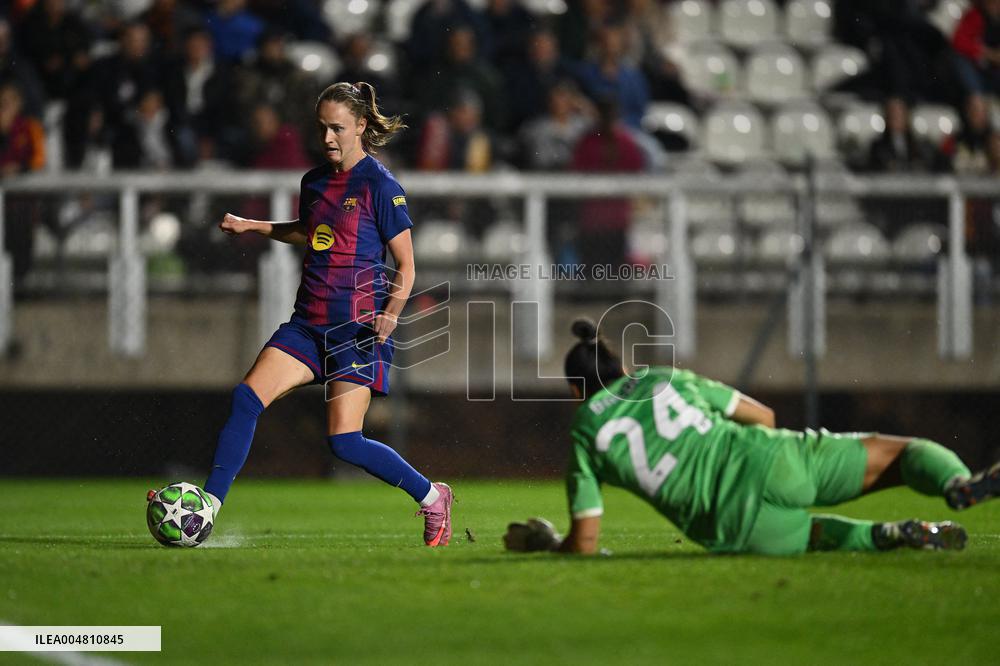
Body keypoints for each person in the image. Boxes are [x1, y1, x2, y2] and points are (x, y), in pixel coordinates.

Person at [188, 82, 454, 547]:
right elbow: (311, 233)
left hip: (357, 331)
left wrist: (391, 313)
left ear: (361, 128)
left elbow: (408, 265)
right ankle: (207, 509)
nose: (328, 137)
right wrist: (254, 226)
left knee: (344, 443)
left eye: (337, 128)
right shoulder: (314, 181)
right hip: (307, 325)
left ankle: (432, 496)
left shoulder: (380, 184)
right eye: (322, 127)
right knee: (246, 399)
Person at [504, 318, 1000, 555]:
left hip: (730, 525)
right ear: (623, 365)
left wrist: (547, 543)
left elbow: (587, 542)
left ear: (576, 389)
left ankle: (891, 535)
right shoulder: (661, 376)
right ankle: (957, 485)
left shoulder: (586, 427)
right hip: (771, 460)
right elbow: (761, 416)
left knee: (813, 537)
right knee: (903, 454)